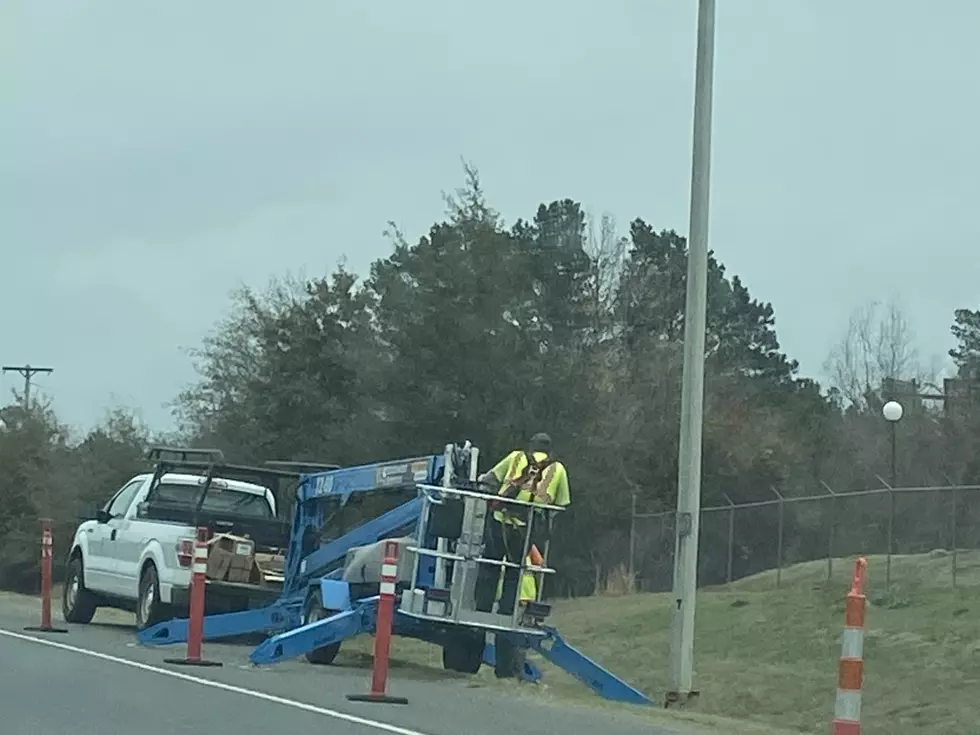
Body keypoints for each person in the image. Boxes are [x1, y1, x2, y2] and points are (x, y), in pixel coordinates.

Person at [474, 432, 570, 677]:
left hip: (500, 520)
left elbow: (490, 478)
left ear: (531, 446)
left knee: (491, 565)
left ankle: (483, 607)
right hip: (526, 527)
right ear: (549, 451)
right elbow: (561, 503)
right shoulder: (558, 469)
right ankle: (507, 609)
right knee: (516, 571)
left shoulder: (516, 457)